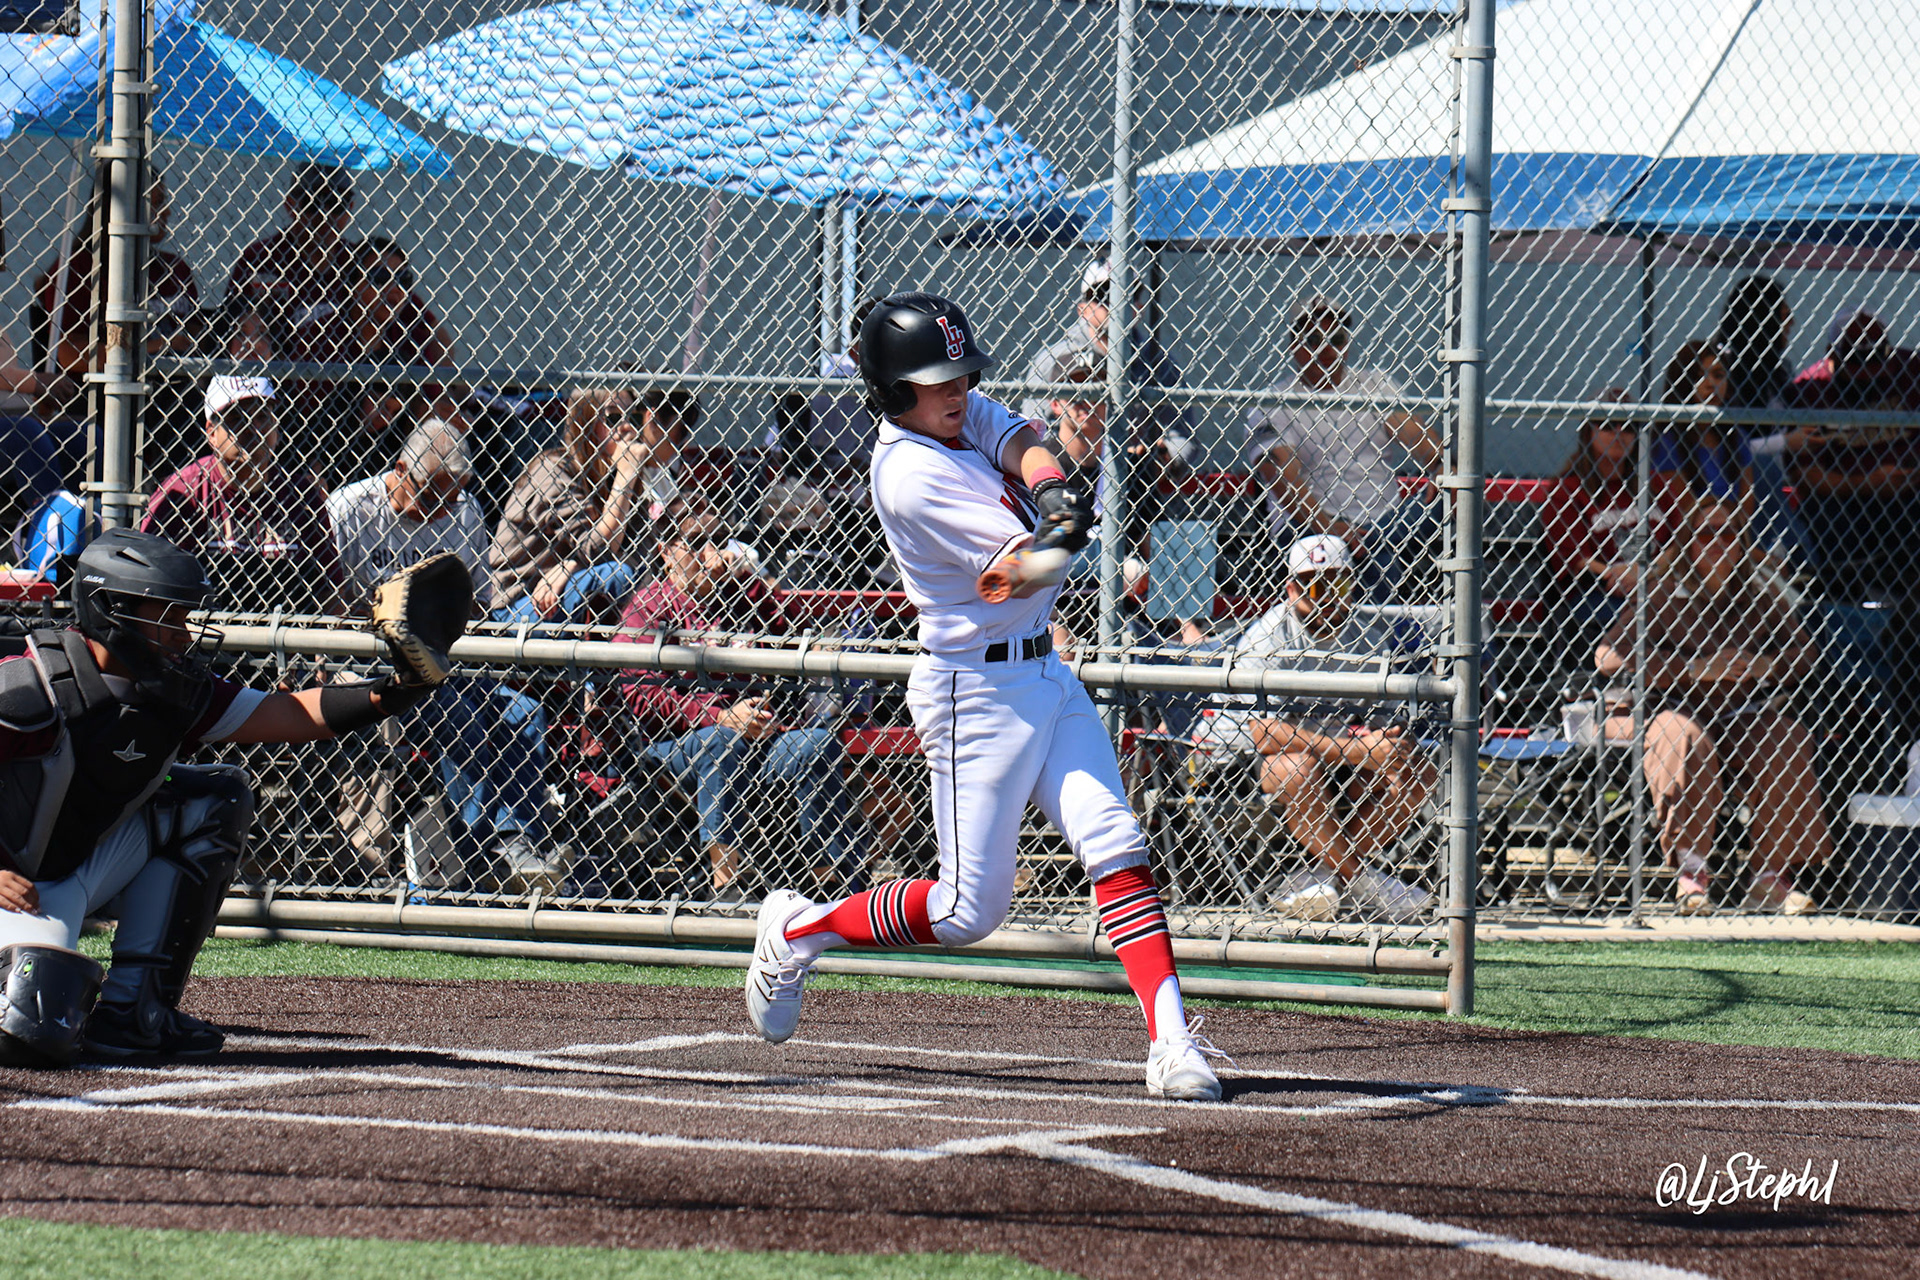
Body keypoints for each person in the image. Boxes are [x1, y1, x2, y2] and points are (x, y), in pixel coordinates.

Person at [741, 291, 1229, 1101]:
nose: (959, 390)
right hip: (974, 691)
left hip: (1044, 671)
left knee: (1115, 840)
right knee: (968, 911)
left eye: (961, 374)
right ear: (894, 390)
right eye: (939, 381)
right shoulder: (909, 473)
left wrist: (1054, 492)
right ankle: (797, 931)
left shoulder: (954, 411)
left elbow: (1022, 441)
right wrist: (1061, 538)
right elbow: (1022, 571)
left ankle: (1173, 1042)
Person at [0, 528, 450, 1065]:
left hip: (70, 872)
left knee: (215, 798)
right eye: (168, 616)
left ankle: (135, 1014)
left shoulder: (173, 692)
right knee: (31, 1029)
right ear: (110, 610)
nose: (183, 633)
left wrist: (396, 690)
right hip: (11, 885)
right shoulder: (27, 688)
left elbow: (289, 714)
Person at [327, 424, 553, 888]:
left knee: (524, 712)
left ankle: (517, 841)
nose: (440, 512)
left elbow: (478, 602)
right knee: (458, 716)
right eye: (430, 497)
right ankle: (480, 857)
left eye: (450, 500)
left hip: (443, 658)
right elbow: (329, 604)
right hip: (370, 660)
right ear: (400, 470)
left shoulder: (464, 509)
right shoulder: (350, 508)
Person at [614, 493, 860, 897]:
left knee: (816, 744)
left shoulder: (743, 594)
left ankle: (826, 882)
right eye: (696, 542)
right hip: (681, 744)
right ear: (666, 552)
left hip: (761, 736)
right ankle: (726, 882)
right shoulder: (651, 604)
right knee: (723, 741)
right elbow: (639, 690)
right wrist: (720, 717)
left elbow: (793, 635)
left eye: (719, 539)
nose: (712, 553)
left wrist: (751, 579)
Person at [1596, 497, 1830, 915]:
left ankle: (1770, 878)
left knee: (1785, 736)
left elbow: (1806, 653)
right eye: (1707, 533)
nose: (1719, 542)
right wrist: (1692, 668)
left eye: (1729, 532)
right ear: (1688, 541)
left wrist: (1767, 664)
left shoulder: (1759, 593)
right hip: (1666, 710)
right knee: (1687, 738)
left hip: (1737, 714)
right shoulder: (1663, 591)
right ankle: (1692, 876)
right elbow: (1608, 657)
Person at [1189, 535, 1436, 923]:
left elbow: (1388, 725)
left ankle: (1322, 875)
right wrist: (1358, 750)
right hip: (1236, 761)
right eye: (1312, 585)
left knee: (1416, 770)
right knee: (1296, 767)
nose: (1326, 595)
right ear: (1291, 589)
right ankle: (1361, 879)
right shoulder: (1270, 635)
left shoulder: (1366, 635)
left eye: (1338, 582)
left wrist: (1384, 744)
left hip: (1323, 753)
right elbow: (1264, 735)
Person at [1245, 295, 1441, 598]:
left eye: (1336, 339)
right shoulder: (1273, 403)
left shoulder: (1374, 385)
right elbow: (1285, 483)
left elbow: (1418, 437)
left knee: (1451, 492)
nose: (1326, 349)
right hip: (1309, 527)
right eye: (1314, 340)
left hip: (1385, 522)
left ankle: (1381, 601)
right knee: (1365, 553)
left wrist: (1442, 465)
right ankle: (1384, 616)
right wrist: (1331, 527)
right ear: (1294, 345)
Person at [490, 384, 699, 625]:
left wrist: (572, 565)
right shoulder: (553, 470)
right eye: (613, 418)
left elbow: (641, 553)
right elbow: (597, 549)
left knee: (635, 577)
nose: (627, 428)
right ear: (586, 423)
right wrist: (625, 476)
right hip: (520, 602)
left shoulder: (612, 473)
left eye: (632, 416)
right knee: (617, 576)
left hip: (568, 586)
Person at [1023, 260, 1194, 555]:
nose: (1115, 305)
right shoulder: (1054, 358)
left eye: (1126, 296)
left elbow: (1183, 439)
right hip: (1065, 475)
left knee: (1142, 555)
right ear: (1082, 307)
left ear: (1139, 306)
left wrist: (1158, 455)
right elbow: (1031, 432)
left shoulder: (1157, 362)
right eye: (1102, 296)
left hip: (1132, 481)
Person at [139, 374, 340, 615]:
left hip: (287, 630)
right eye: (237, 419)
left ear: (276, 429)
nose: (252, 429)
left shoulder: (301, 495)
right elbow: (149, 587)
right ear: (212, 433)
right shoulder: (182, 492)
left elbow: (330, 588)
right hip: (202, 630)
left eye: (262, 417)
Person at [1779, 308, 1920, 598]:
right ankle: (1846, 596)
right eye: (1857, 371)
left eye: (1875, 369)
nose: (1867, 381)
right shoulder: (1810, 390)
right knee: (1827, 516)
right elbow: (1805, 474)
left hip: (1908, 494)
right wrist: (1869, 482)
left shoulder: (1911, 371)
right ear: (1833, 355)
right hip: (1843, 499)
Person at [1540, 389, 1683, 611]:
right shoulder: (1567, 491)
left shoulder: (1655, 485)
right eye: (1607, 424)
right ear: (1588, 432)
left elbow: (1681, 542)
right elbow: (1577, 562)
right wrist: (1622, 578)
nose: (1618, 432)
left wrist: (1645, 573)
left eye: (1628, 425)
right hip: (1599, 592)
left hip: (1658, 586)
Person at [1652, 339, 1752, 511]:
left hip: (1733, 526)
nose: (1711, 384)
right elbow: (1685, 509)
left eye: (1718, 375)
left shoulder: (1737, 437)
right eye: (1699, 376)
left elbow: (1747, 508)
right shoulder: (1666, 442)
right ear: (1681, 382)